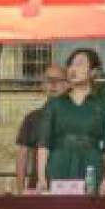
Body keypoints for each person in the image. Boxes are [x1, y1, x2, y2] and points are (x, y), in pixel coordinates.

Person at [37, 48, 105, 195]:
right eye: (70, 64)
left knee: (90, 207)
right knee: (58, 208)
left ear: (93, 72)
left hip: (91, 166)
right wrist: (41, 177)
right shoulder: (54, 104)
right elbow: (44, 144)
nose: (73, 69)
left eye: (80, 64)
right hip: (59, 165)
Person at [15, 62, 65, 193]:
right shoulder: (32, 118)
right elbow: (22, 155)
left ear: (68, 85)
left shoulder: (77, 119)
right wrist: (21, 191)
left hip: (69, 187)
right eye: (49, 80)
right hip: (39, 188)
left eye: (58, 80)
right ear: (42, 85)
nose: (53, 84)